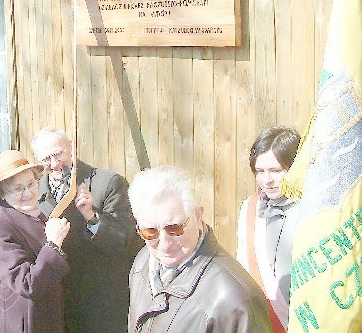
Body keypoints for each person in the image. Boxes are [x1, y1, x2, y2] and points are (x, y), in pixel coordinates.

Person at [128, 166, 273, 332]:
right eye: (150, 232)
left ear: (198, 216)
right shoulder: (142, 263)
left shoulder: (233, 299)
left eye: (174, 228)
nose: (165, 244)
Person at [30, 126, 139, 332]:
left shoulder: (107, 183)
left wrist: (91, 216)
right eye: (46, 159)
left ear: (71, 147)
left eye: (58, 154)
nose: (54, 164)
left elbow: (123, 242)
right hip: (58, 299)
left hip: (99, 301)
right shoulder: (34, 192)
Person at [0, 150, 70, 332]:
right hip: (17, 325)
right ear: (3, 193)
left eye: (31, 183)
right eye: (18, 189)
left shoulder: (33, 214)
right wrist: (53, 244)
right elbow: (27, 283)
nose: (28, 193)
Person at [236, 126, 301, 332]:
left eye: (276, 171)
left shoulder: (311, 209)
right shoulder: (250, 208)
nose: (267, 180)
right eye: (260, 171)